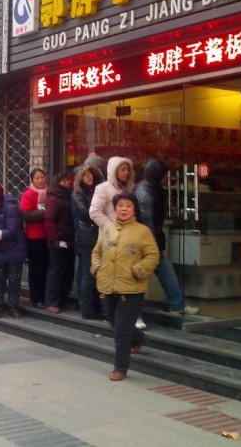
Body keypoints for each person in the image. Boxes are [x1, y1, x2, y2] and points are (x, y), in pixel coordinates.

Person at [91, 192, 159, 381]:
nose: (124, 209)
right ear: (115, 208)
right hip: (108, 285)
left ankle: (120, 367)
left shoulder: (142, 231)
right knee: (113, 319)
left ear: (134, 209)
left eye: (128, 205)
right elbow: (96, 252)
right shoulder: (108, 230)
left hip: (131, 288)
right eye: (120, 205)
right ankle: (138, 337)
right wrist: (96, 267)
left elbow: (153, 255)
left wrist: (138, 270)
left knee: (121, 328)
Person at [135, 158, 199, 316]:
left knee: (162, 272)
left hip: (147, 240)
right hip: (148, 242)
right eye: (164, 175)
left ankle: (177, 304)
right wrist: (154, 246)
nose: (165, 179)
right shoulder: (148, 193)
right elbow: (149, 221)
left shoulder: (147, 188)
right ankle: (136, 312)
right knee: (143, 276)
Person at [89, 156, 143, 328]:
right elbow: (94, 211)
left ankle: (132, 315)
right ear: (114, 171)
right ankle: (113, 314)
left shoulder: (132, 188)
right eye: (122, 169)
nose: (126, 173)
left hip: (130, 239)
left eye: (128, 169)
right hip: (110, 240)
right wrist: (110, 226)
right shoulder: (103, 188)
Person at [0, 184, 27, 319]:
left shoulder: (11, 208)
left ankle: (14, 305)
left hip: (14, 250)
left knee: (14, 279)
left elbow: (12, 230)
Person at [72, 164, 104, 319]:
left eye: (90, 173)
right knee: (89, 274)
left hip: (99, 236)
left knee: (97, 273)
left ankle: (97, 306)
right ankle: (87, 309)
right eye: (85, 175)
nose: (89, 176)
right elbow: (85, 213)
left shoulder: (97, 190)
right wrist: (100, 214)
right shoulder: (77, 194)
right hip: (86, 237)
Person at [44, 173, 75, 314]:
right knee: (56, 272)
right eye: (63, 181)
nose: (66, 183)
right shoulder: (54, 198)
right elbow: (49, 220)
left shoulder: (70, 196)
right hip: (58, 241)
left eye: (67, 180)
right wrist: (55, 238)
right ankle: (51, 301)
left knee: (68, 271)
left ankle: (63, 299)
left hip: (69, 240)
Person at [19, 168, 49, 309]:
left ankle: (45, 296)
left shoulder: (49, 193)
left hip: (48, 236)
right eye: (37, 178)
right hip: (34, 237)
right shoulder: (28, 194)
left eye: (42, 177)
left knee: (46, 268)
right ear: (32, 180)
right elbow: (26, 215)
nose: (40, 180)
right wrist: (45, 213)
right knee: (36, 269)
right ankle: (35, 298)